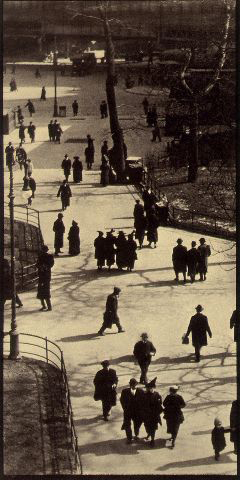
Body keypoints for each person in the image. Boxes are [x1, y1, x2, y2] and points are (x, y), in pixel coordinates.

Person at [120, 378, 144, 444]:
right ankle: (129, 438)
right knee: (127, 424)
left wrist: (141, 409)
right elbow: (122, 400)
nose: (134, 386)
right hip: (127, 411)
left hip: (137, 412)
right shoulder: (124, 391)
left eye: (135, 385)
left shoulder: (141, 391)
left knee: (137, 424)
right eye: (132, 385)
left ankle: (136, 435)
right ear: (130, 385)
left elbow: (143, 401)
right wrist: (125, 408)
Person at [142, 377, 163, 447]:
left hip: (154, 415)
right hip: (146, 415)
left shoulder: (157, 394)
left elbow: (160, 404)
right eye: (147, 388)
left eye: (149, 388)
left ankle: (152, 440)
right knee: (147, 426)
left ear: (153, 388)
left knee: (153, 427)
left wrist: (158, 412)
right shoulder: (144, 394)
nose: (148, 389)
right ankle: (149, 434)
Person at [36, 245, 54, 311]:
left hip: (45, 276)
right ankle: (45, 306)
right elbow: (37, 264)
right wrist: (41, 267)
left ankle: (48, 306)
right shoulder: (42, 256)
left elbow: (51, 264)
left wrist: (44, 267)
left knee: (45, 292)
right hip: (44, 276)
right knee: (42, 292)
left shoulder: (48, 256)